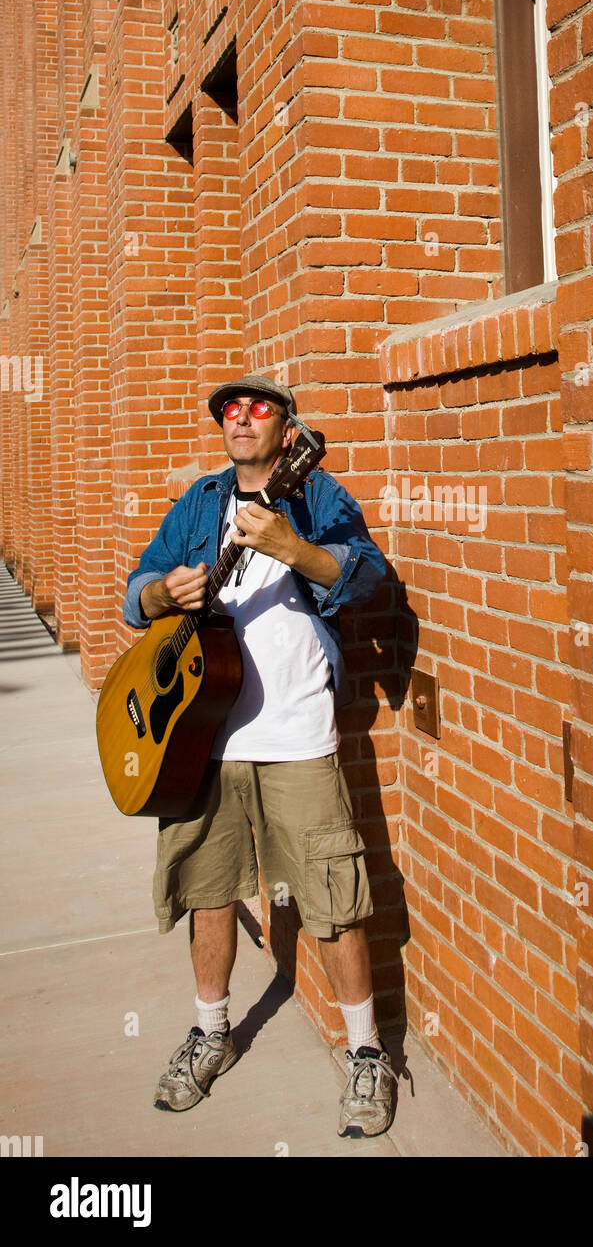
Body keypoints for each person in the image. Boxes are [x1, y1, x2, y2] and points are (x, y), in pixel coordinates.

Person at [122, 372, 395, 1137]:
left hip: (296, 732)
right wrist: (158, 594)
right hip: (200, 737)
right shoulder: (200, 502)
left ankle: (366, 1052)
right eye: (230, 412)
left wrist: (295, 550)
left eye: (258, 409)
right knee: (209, 890)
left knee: (332, 895)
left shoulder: (320, 494)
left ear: (285, 427)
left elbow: (368, 577)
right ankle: (212, 1031)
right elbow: (134, 586)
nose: (241, 420)